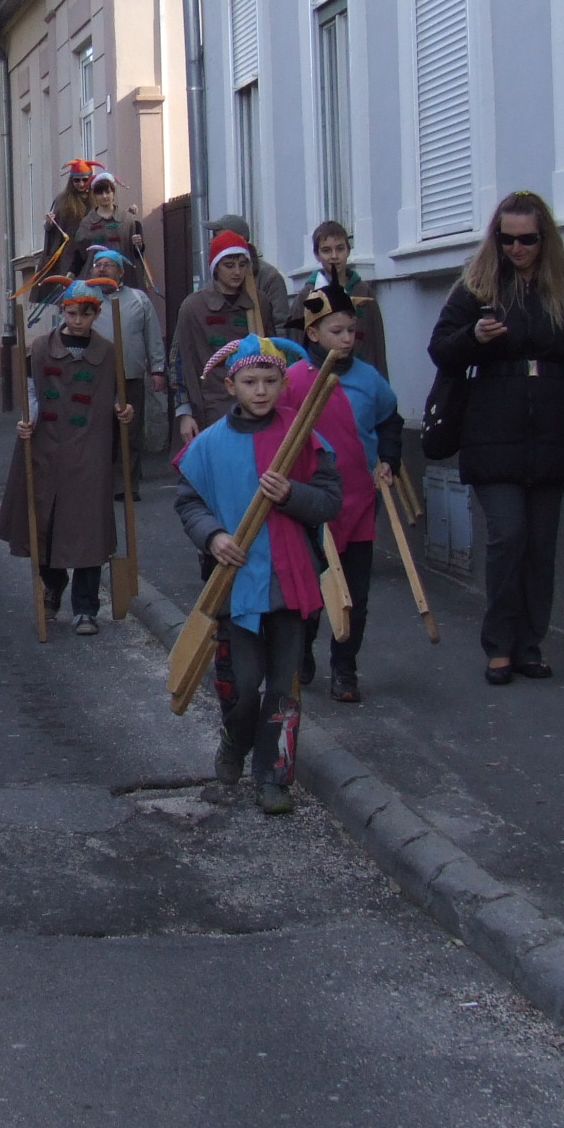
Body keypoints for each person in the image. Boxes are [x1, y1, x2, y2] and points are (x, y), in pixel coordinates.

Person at [428, 191, 564, 686]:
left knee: (540, 546)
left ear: (544, 238)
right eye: (506, 239)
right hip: (492, 424)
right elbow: (441, 349)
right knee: (508, 534)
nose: (516, 249)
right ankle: (498, 645)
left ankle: (530, 644)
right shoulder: (477, 283)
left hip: (554, 424)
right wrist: (475, 337)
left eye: (527, 240)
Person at [174, 336, 342, 815]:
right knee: (245, 685)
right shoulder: (208, 446)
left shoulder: (302, 435)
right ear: (232, 385)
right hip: (236, 583)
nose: (261, 390)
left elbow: (330, 500)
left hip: (291, 580)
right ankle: (235, 740)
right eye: (250, 381)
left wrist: (291, 494)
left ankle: (274, 778)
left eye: (270, 380)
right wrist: (213, 537)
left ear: (283, 383)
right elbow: (189, 503)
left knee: (284, 688)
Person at [0, 279, 134, 636]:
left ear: (96, 314)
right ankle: (53, 584)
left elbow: (117, 393)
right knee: (46, 519)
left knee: (90, 526)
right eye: (71, 313)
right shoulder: (41, 348)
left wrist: (123, 410)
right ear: (62, 311)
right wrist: (27, 420)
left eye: (85, 315)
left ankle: (86, 608)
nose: (77, 321)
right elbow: (31, 391)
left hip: (90, 449)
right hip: (47, 446)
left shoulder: (107, 352)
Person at [285, 281, 398, 702]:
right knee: (310, 588)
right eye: (337, 331)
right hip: (309, 504)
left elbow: (389, 420)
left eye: (352, 330)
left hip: (358, 501)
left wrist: (389, 459)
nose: (347, 339)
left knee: (356, 594)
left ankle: (345, 668)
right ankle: (301, 650)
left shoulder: (369, 379)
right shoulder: (293, 381)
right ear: (313, 333)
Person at [170, 229, 269, 448]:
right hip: (209, 408)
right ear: (215, 267)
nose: (237, 272)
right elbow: (178, 361)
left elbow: (273, 355)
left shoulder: (258, 304)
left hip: (254, 405)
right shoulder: (193, 307)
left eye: (242, 265)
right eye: (229, 265)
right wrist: (184, 411)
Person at [85, 244, 165, 486]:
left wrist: (157, 369)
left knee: (130, 431)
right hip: (95, 377)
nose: (102, 269)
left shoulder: (139, 299)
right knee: (100, 431)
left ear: (120, 272)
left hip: (130, 376)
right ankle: (102, 482)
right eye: (98, 265)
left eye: (108, 265)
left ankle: (127, 484)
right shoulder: (85, 299)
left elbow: (152, 335)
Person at [291, 220, 391, 378]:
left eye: (340, 249)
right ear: (317, 254)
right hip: (319, 379)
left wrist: (380, 383)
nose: (334, 256)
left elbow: (377, 344)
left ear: (348, 251)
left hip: (361, 379)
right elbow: (296, 347)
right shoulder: (306, 296)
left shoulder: (363, 292)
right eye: (326, 250)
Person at [206, 214, 293, 332]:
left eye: (216, 236)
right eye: (229, 265)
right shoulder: (216, 279)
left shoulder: (269, 278)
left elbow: (280, 325)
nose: (210, 241)